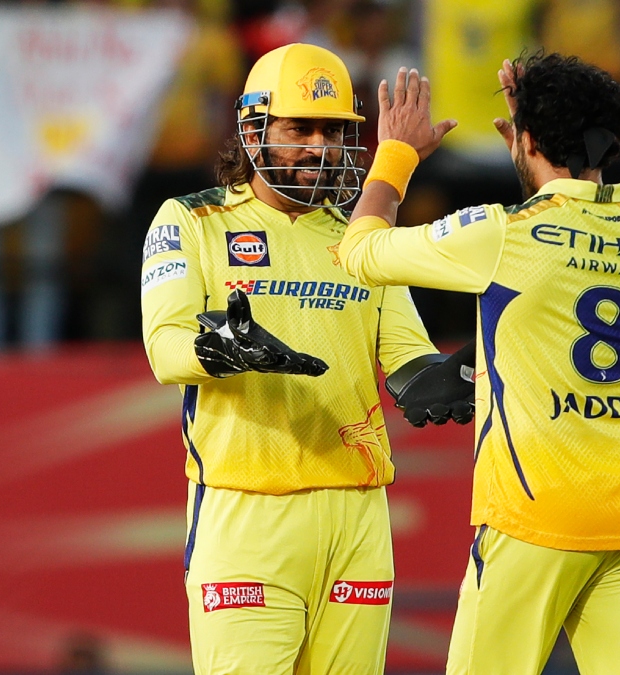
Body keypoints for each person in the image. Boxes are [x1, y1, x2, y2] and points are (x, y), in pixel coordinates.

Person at [341, 54, 620, 674]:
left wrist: (395, 155)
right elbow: (571, 246)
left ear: (526, 141)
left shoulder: (503, 233)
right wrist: (535, 154)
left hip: (533, 519)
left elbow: (359, 251)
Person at [140, 43, 473, 675]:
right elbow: (164, 349)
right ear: (253, 129)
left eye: (334, 131)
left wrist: (467, 372)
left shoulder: (363, 239)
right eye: (301, 128)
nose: (320, 147)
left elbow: (412, 369)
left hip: (358, 519)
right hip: (247, 514)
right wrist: (223, 349)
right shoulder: (192, 220)